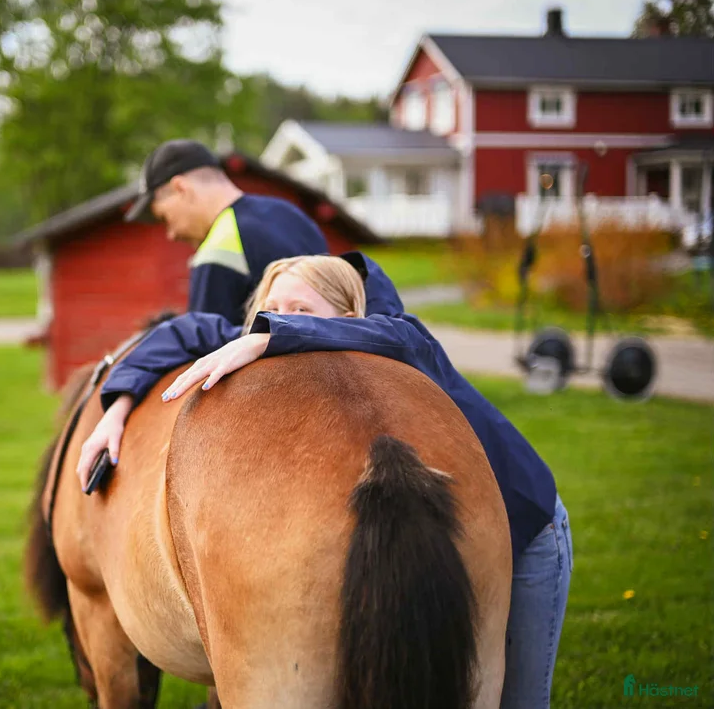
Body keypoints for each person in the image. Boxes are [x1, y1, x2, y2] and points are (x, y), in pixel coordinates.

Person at [75, 253, 573, 709]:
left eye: (300, 307)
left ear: (347, 319)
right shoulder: (278, 333)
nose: (283, 316)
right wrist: (115, 407)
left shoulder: (396, 333)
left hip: (528, 529)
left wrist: (273, 334)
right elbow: (184, 333)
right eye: (272, 308)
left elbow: (400, 333)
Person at [125, 139, 329, 325]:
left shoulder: (220, 246)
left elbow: (204, 349)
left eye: (164, 218)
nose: (171, 234)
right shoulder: (290, 213)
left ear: (181, 188)